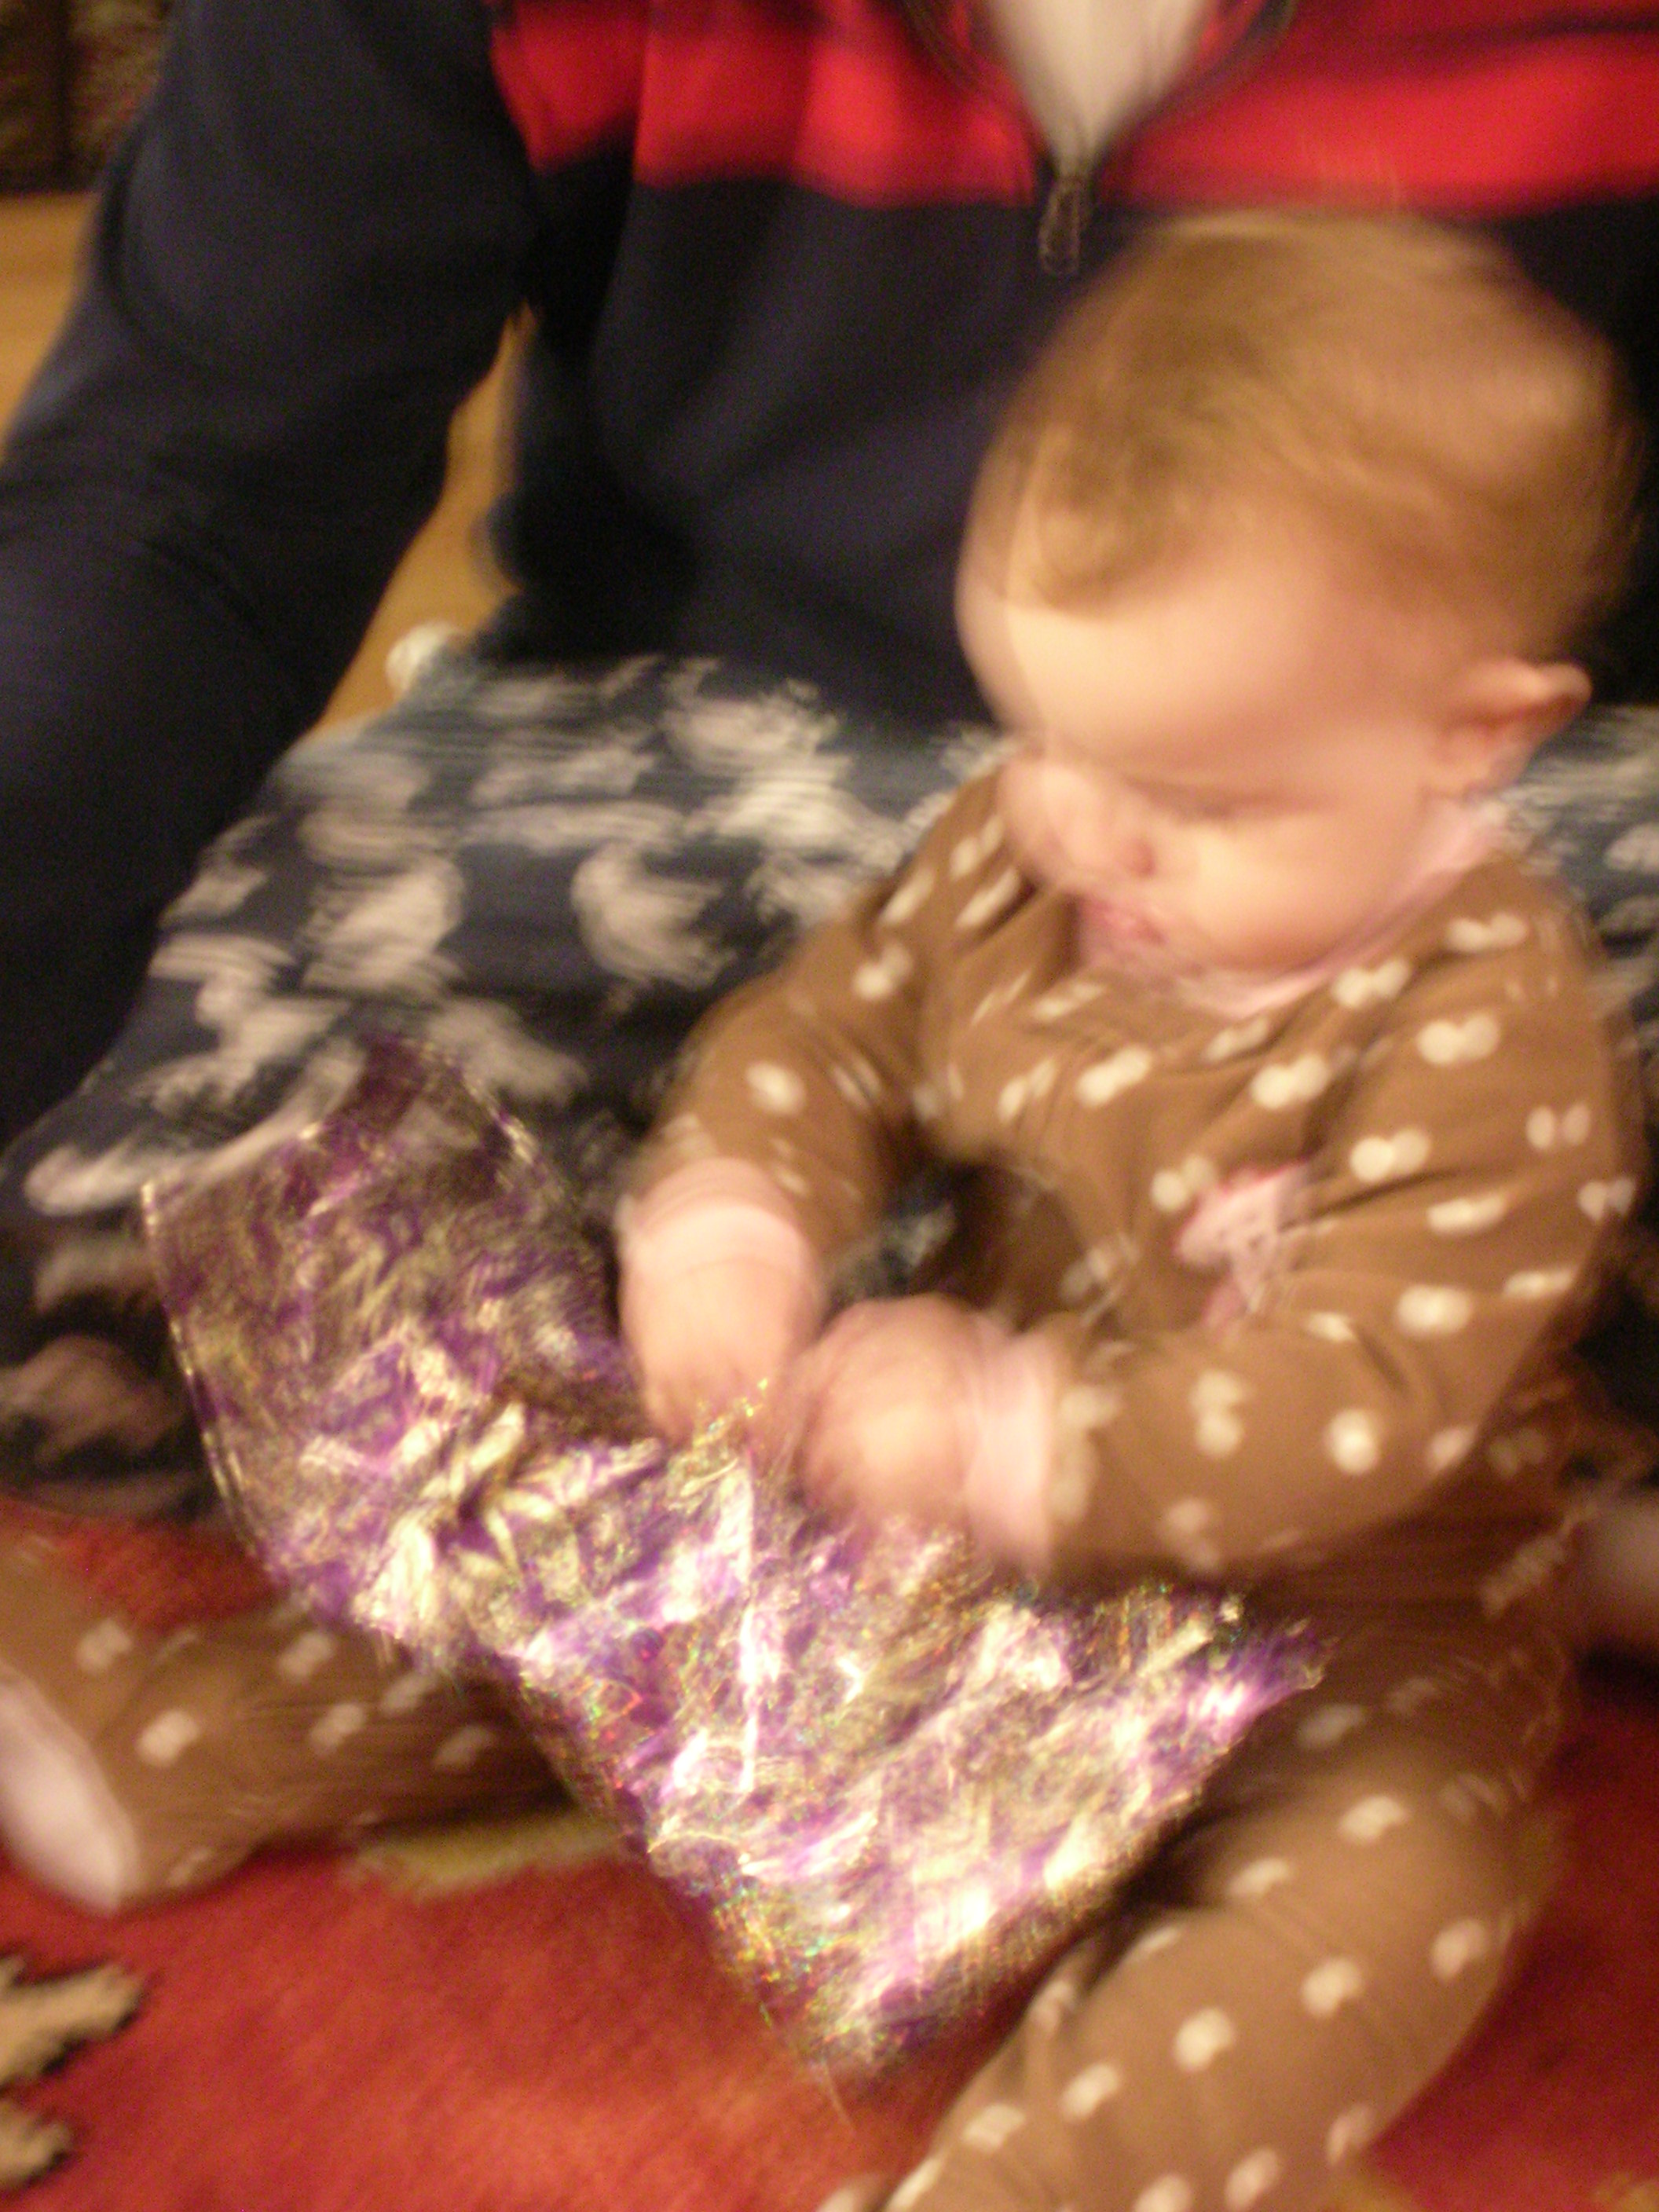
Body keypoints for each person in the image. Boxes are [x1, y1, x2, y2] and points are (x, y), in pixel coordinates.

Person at [617, 208, 1647, 2212]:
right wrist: (737, 1228)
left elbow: (1356, 1398)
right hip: (947, 1541)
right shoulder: (1041, 850)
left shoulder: (1490, 1021)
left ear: (1474, 735)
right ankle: (169, 1740)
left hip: (1360, 1619)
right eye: (1047, 740)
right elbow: (830, 1032)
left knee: (1412, 1882)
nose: (1094, 833)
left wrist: (1011, 1438)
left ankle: (1036, 2184)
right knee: (598, 1520)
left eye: (1204, 798)